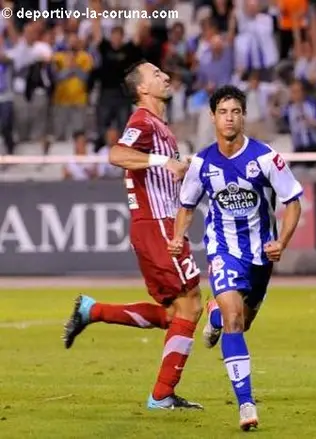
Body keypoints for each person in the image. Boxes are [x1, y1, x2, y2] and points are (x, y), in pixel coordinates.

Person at [62, 60, 204, 410]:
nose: (165, 76)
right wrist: (163, 162)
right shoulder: (142, 120)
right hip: (156, 225)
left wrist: (178, 167)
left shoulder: (159, 126)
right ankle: (161, 395)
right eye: (156, 74)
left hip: (159, 224)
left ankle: (94, 311)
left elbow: (156, 167)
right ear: (142, 88)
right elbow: (116, 154)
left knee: (176, 315)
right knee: (192, 306)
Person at [170, 85, 303, 430]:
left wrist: (282, 242)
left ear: (243, 117)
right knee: (234, 321)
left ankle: (214, 318)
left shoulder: (266, 158)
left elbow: (292, 202)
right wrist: (177, 236)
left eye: (236, 112)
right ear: (213, 117)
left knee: (241, 322)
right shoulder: (201, 163)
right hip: (224, 250)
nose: (229, 118)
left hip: (261, 254)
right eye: (223, 112)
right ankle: (246, 404)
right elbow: (186, 205)